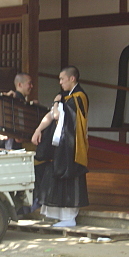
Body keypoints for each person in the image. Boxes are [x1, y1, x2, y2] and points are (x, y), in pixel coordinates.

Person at [31, 66, 89, 227]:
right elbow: (51, 115)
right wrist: (38, 130)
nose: (60, 82)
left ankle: (70, 217)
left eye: (62, 79)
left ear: (72, 79)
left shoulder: (79, 97)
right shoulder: (67, 97)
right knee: (57, 176)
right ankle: (60, 216)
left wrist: (57, 102)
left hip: (73, 146)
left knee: (70, 178)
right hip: (62, 145)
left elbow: (57, 114)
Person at [0, 73, 35, 150]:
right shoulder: (16, 100)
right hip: (14, 140)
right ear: (20, 85)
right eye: (29, 83)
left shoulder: (19, 100)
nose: (31, 86)